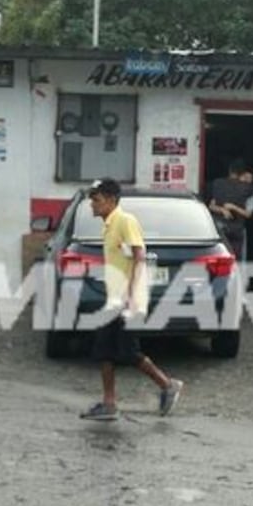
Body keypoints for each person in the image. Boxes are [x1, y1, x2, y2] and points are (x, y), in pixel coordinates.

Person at [80, 178, 184, 421]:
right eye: (92, 200)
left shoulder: (125, 221)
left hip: (129, 299)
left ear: (111, 200)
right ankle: (109, 404)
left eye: (96, 200)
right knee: (103, 350)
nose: (92, 205)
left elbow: (139, 257)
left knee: (127, 352)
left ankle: (168, 385)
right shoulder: (108, 225)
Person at [207, 159, 253, 261]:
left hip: (219, 227)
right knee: (236, 259)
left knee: (218, 256)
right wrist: (233, 208)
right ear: (243, 173)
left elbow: (211, 206)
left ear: (229, 171)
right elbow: (248, 214)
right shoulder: (249, 189)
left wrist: (222, 210)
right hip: (237, 229)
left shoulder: (217, 184)